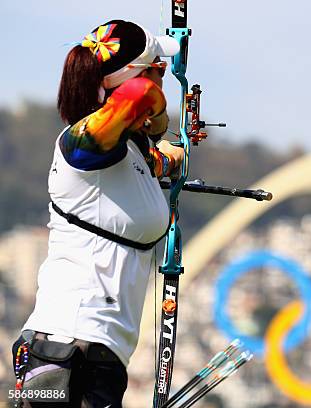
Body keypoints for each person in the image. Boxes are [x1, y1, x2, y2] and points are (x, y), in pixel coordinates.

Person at [11, 20, 184, 407]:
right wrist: (157, 117)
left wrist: (168, 156)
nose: (163, 80)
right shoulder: (80, 144)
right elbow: (137, 95)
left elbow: (150, 163)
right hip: (66, 348)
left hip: (95, 353)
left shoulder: (128, 154)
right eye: (159, 69)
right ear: (137, 74)